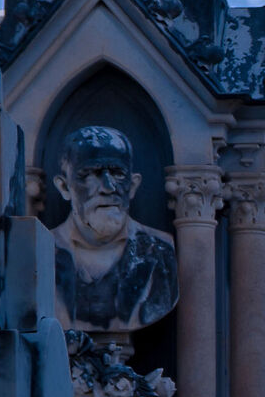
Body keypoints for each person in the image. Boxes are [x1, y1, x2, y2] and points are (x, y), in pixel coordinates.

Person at [51, 125, 177, 334]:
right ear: (64, 187)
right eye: (91, 173)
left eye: (118, 173)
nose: (108, 187)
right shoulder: (39, 252)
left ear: (133, 185)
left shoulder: (160, 252)